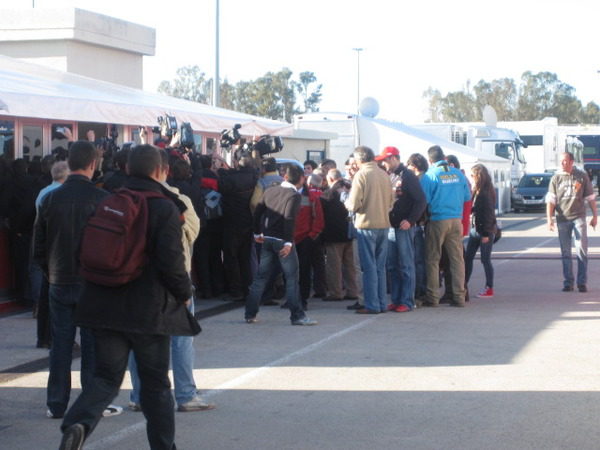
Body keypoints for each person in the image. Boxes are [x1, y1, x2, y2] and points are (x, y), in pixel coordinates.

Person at [57, 144, 200, 450]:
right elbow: (172, 261)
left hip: (103, 305)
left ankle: (78, 424)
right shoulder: (164, 207)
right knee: (156, 385)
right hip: (148, 312)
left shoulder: (108, 201)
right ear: (160, 171)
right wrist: (184, 294)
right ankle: (164, 446)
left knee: (105, 378)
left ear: (126, 170)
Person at [33, 141, 121, 419]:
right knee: (93, 344)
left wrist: (50, 272)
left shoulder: (49, 198)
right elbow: (111, 246)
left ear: (68, 164)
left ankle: (55, 402)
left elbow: (38, 247)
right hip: (92, 283)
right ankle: (91, 401)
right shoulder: (102, 200)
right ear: (93, 164)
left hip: (59, 279)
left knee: (60, 343)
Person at [128, 149, 214, 413]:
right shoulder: (177, 200)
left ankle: (139, 395)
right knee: (181, 338)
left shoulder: (121, 198)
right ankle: (186, 394)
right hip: (174, 277)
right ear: (162, 170)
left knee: (138, 339)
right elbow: (191, 233)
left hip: (132, 278)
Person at [244, 164, 318, 326]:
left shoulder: (270, 190)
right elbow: (289, 219)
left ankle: (250, 313)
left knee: (261, 277)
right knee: (292, 279)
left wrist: (257, 232)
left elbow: (258, 212)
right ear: (301, 178)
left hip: (267, 238)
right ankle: (297, 315)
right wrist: (288, 242)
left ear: (285, 177)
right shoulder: (293, 195)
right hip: (282, 240)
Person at [345, 146, 394, 314]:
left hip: (366, 224)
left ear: (360, 159)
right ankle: (380, 303)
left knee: (369, 268)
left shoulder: (362, 175)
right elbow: (391, 202)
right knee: (380, 267)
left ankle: (372, 304)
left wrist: (345, 201)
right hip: (383, 224)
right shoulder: (384, 175)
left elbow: (353, 203)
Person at [376, 147, 426, 312]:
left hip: (403, 226)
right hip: (391, 225)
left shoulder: (408, 176)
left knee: (405, 264)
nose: (384, 163)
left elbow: (420, 201)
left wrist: (411, 221)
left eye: (385, 160)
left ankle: (407, 300)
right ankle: (397, 299)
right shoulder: (389, 176)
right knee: (392, 265)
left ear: (393, 159)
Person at [420, 145, 471, 307]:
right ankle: (459, 296)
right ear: (444, 157)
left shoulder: (430, 175)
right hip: (456, 220)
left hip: (437, 220)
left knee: (433, 259)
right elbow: (467, 197)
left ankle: (432, 297)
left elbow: (424, 201)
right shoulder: (458, 174)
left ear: (430, 160)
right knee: (457, 259)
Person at [546, 151, 597, 292]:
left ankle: (582, 282)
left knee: (582, 251)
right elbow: (550, 200)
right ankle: (568, 282)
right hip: (562, 219)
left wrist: (595, 216)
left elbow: (590, 197)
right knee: (565, 252)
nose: (563, 163)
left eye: (565, 161)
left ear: (572, 162)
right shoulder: (556, 178)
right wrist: (549, 219)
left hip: (579, 217)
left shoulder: (581, 176)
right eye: (561, 161)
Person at [33, 161, 69, 349]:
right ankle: (53, 336)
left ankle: (42, 336)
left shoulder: (43, 193)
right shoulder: (61, 195)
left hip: (46, 249)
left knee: (44, 295)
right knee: (57, 298)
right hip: (59, 251)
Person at [219, 155, 259, 301]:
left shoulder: (231, 179)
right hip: (249, 221)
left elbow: (221, 187)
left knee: (231, 256)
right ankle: (247, 287)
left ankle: (235, 289)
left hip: (232, 221)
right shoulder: (256, 177)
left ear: (238, 165)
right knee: (245, 257)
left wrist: (222, 170)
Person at [320, 168, 358, 302]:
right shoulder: (351, 188)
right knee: (350, 264)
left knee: (334, 265)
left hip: (333, 233)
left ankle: (335, 292)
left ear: (330, 179)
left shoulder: (328, 194)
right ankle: (352, 291)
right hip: (349, 231)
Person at [464, 164, 497, 298]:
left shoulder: (485, 193)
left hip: (484, 230)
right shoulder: (478, 191)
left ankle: (489, 287)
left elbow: (488, 214)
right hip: (476, 229)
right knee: (468, 257)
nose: (471, 178)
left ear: (479, 176)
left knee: (485, 259)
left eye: (472, 175)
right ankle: (464, 284)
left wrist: (485, 234)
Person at [293, 173, 324, 308]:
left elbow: (319, 219)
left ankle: (302, 299)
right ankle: (293, 298)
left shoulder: (310, 197)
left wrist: (312, 235)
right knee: (290, 271)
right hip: (290, 239)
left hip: (305, 239)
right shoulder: (286, 194)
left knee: (304, 270)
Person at [406, 153, 429, 301]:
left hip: (419, 223)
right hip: (427, 223)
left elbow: (421, 202)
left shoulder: (419, 180)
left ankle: (419, 290)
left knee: (418, 259)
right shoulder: (428, 177)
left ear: (413, 167)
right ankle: (423, 289)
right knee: (422, 259)